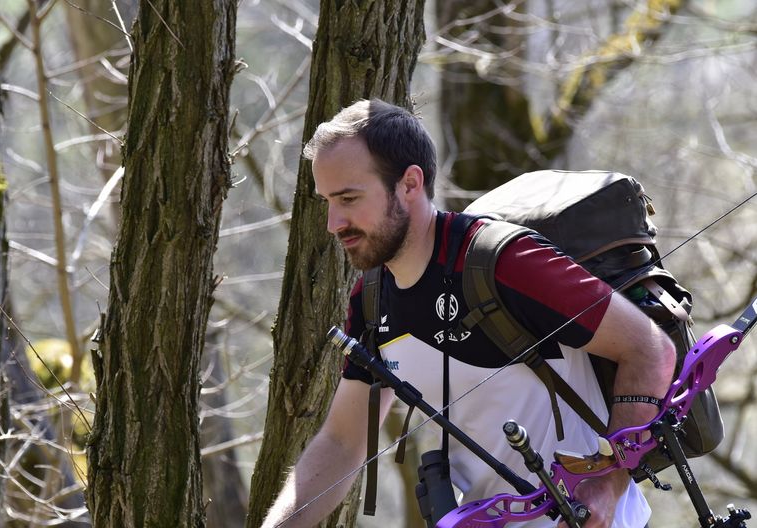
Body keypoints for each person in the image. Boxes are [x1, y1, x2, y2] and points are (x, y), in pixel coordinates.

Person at [261, 99, 676, 528]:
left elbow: (650, 349)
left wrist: (608, 485)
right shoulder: (372, 298)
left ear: (409, 184)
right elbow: (342, 442)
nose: (333, 222)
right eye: (327, 201)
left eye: (348, 198)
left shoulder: (505, 261)